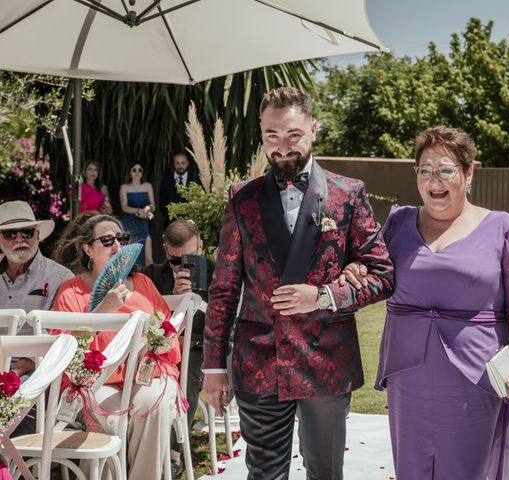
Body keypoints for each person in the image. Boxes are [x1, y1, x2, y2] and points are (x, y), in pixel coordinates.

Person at [202, 87, 394, 480]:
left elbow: (382, 274)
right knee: (264, 474)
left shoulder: (348, 194)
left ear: (313, 130)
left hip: (326, 360)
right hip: (258, 359)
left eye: (292, 135)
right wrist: (212, 367)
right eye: (272, 136)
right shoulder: (242, 198)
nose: (282, 147)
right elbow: (224, 289)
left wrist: (325, 295)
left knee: (325, 472)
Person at [355, 126, 509, 480]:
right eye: (425, 170)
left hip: (474, 374)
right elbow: (369, 272)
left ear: (469, 173)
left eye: (445, 170)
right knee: (412, 469)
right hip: (408, 375)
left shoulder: (503, 227)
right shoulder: (397, 221)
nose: (434, 180)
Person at [51, 214, 180, 480]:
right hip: (96, 383)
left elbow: (168, 332)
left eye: (120, 239)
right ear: (88, 248)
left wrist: (152, 342)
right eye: (107, 240)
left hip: (147, 376)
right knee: (108, 420)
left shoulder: (143, 284)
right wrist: (101, 311)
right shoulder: (71, 292)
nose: (116, 246)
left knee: (152, 407)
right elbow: (64, 350)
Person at [142, 220, 214, 479]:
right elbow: (147, 317)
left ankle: (173, 453)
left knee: (188, 376)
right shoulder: (150, 275)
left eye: (190, 258)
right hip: (160, 349)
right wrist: (172, 297)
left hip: (199, 348)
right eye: (175, 261)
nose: (182, 266)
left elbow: (224, 325)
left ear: (201, 247)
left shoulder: (217, 274)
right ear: (165, 250)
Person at [0, 200, 74, 436]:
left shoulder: (60, 278)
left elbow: (66, 340)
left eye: (27, 232)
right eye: (10, 233)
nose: (19, 239)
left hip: (36, 376)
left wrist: (27, 366)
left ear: (38, 234)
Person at [119, 163, 155, 266]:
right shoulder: (124, 187)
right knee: (128, 259)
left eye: (140, 170)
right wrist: (138, 211)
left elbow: (153, 205)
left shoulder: (148, 186)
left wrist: (148, 209)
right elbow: (124, 207)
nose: (137, 172)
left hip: (143, 224)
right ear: (130, 173)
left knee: (148, 259)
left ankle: (147, 281)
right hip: (129, 224)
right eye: (134, 170)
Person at [158, 153, 202, 228]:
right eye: (177, 163)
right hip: (171, 225)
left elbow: (199, 202)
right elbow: (162, 203)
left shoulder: (196, 181)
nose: (180, 166)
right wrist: (173, 217)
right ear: (173, 164)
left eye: (182, 163)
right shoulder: (166, 181)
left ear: (187, 163)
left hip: (191, 225)